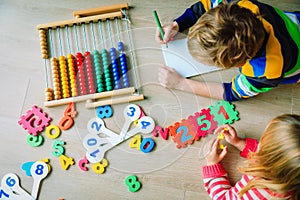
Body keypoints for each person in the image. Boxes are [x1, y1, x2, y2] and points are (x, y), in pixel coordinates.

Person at [156, 0, 300, 101]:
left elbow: (232, 93)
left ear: (239, 64)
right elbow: (205, 6)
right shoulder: (237, 5)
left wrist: (181, 84)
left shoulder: (265, 71)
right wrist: (177, 24)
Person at [202, 114, 300, 199]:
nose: (259, 144)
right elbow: (265, 154)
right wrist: (238, 142)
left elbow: (222, 198)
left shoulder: (261, 192)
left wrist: (212, 165)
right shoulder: (291, 170)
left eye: (263, 141)